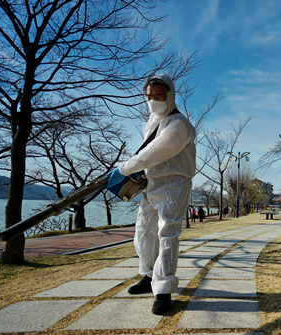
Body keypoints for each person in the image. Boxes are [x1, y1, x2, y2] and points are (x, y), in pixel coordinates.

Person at [106, 73, 196, 315]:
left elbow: (155, 152)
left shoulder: (180, 125)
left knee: (167, 233)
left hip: (174, 184)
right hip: (152, 184)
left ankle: (163, 288)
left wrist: (123, 168)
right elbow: (148, 156)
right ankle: (148, 276)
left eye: (158, 96)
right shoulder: (154, 121)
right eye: (149, 96)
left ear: (170, 96)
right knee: (144, 231)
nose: (154, 100)